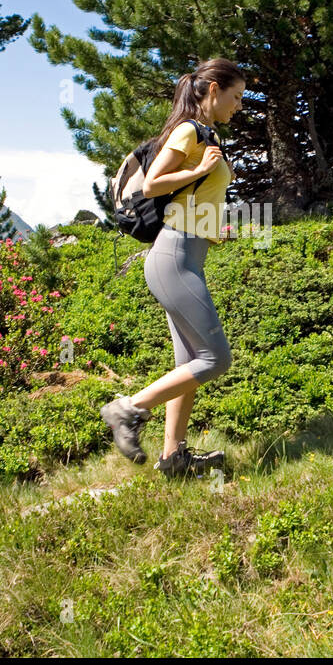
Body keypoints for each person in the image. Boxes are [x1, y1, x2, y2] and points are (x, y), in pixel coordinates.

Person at [101, 58, 245, 477]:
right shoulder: (189, 131)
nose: (238, 106)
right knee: (215, 359)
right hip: (173, 258)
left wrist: (214, 230)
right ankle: (127, 409)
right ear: (214, 89)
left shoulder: (208, 134)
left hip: (186, 253)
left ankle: (173, 457)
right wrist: (199, 169)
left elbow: (190, 201)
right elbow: (153, 184)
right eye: (235, 97)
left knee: (190, 366)